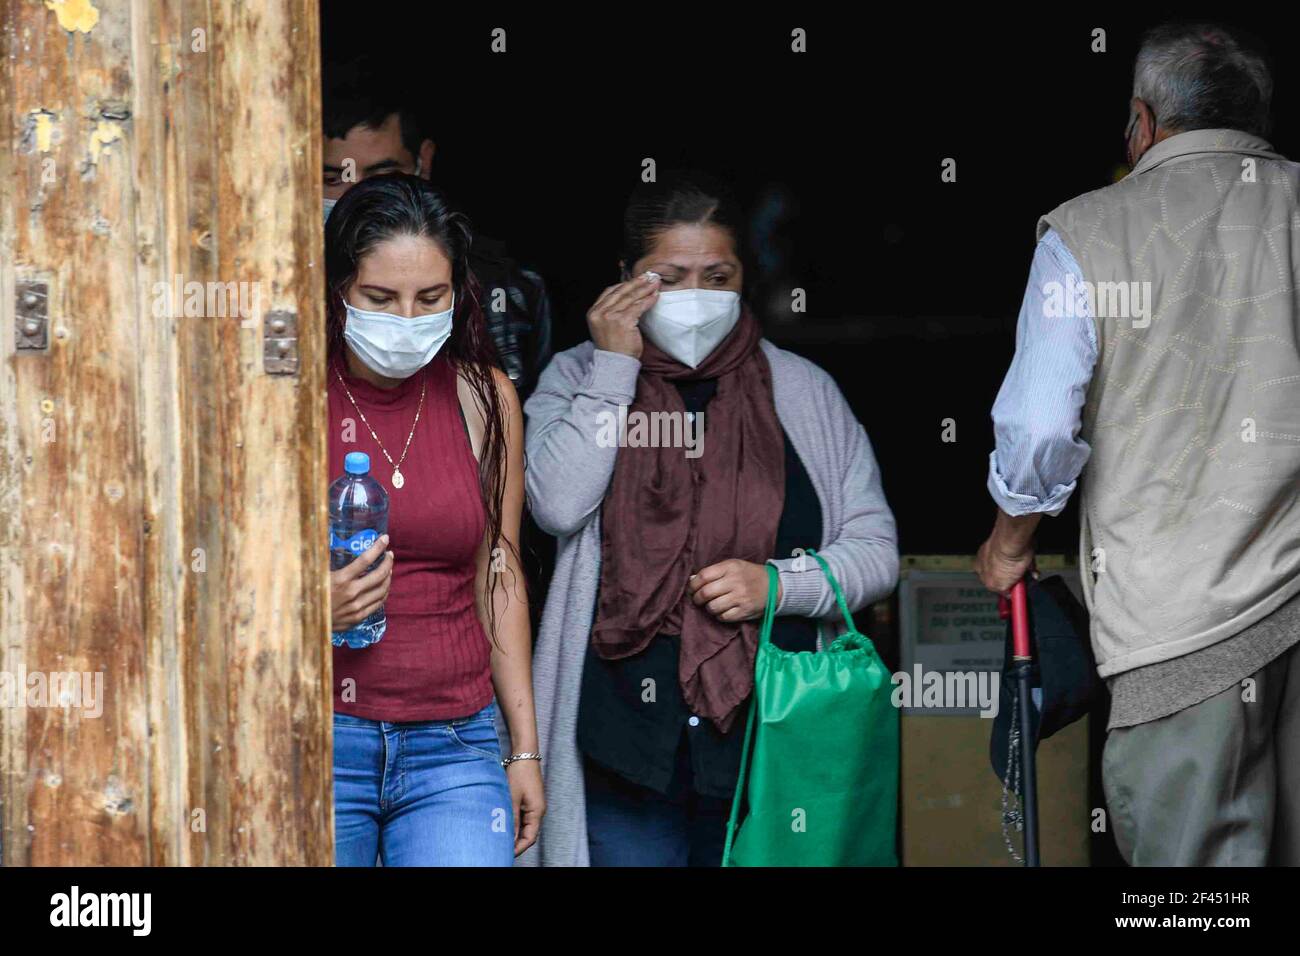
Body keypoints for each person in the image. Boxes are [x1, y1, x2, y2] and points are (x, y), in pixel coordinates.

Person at [975, 22, 1300, 865]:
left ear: (1143, 122)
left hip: (1178, 634)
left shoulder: (1088, 232)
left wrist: (1010, 541)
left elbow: (1042, 424)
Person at [521, 171, 899, 866]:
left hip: (770, 740)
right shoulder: (575, 378)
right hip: (622, 742)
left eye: (716, 276)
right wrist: (613, 366)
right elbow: (556, 503)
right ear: (623, 278)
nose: (695, 296)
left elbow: (876, 551)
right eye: (669, 276)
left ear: (744, 277)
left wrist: (779, 586)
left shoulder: (803, 391)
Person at [325, 174, 544, 865]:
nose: (407, 318)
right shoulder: (283, 392)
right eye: (379, 298)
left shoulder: (485, 396)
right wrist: (301, 609)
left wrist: (524, 748)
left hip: (454, 743)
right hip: (319, 733)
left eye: (431, 298)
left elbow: (498, 570)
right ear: (338, 290)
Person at [322, 55, 553, 401]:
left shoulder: (507, 292)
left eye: (382, 176)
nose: (357, 196)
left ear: (423, 161)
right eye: (332, 178)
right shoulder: (270, 288)